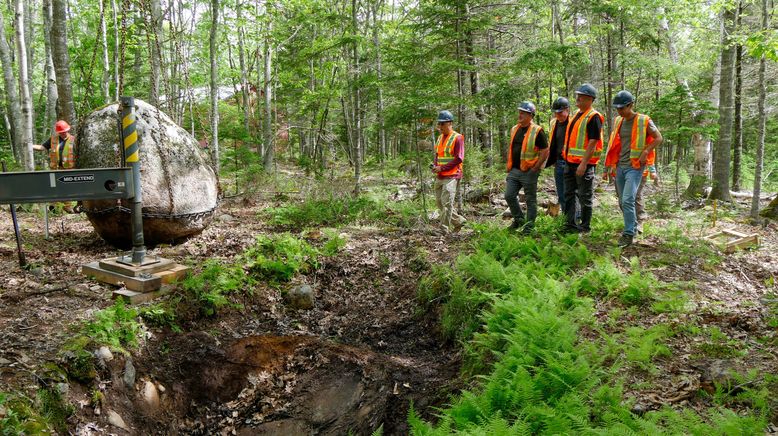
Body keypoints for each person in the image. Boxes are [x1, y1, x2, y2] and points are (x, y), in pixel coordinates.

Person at [604, 90, 663, 247]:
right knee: (623, 202)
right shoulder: (618, 121)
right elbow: (614, 144)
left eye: (622, 108)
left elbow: (658, 138)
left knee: (628, 199)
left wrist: (646, 151)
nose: (619, 111)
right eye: (617, 108)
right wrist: (609, 164)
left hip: (635, 167)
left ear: (631, 105)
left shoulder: (644, 121)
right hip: (620, 166)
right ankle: (633, 226)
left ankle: (629, 233)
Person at [561, 83, 604, 234]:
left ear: (589, 99)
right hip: (570, 163)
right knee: (569, 195)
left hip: (583, 165)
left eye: (581, 96)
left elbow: (593, 142)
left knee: (585, 197)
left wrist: (584, 164)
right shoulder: (577, 116)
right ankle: (570, 225)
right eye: (578, 95)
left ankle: (585, 227)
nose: (577, 98)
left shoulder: (593, 117)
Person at [504, 101, 549, 234]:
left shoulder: (537, 130)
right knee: (509, 195)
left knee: (530, 199)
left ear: (531, 115)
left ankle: (529, 227)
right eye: (520, 112)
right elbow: (512, 148)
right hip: (514, 170)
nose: (520, 115)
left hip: (530, 171)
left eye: (523, 113)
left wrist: (536, 167)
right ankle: (519, 220)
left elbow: (545, 150)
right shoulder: (514, 129)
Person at [431, 110, 466, 233]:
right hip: (440, 175)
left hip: (452, 176)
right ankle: (459, 221)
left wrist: (442, 168)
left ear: (450, 123)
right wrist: (435, 166)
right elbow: (437, 155)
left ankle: (443, 229)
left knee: (446, 203)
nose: (439, 127)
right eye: (439, 124)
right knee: (439, 203)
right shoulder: (440, 138)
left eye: (442, 124)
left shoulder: (458, 138)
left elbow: (459, 158)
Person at [545, 96, 579, 221]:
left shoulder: (574, 122)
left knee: (573, 192)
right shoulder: (554, 123)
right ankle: (566, 218)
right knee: (562, 193)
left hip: (571, 162)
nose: (558, 115)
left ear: (568, 109)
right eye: (556, 112)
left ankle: (576, 217)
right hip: (558, 162)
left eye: (560, 112)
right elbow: (552, 141)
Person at [32, 120, 77, 213]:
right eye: (61, 132)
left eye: (65, 131)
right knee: (54, 186)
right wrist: (30, 146)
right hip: (55, 169)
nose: (64, 133)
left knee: (67, 188)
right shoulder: (53, 139)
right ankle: (54, 207)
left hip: (69, 169)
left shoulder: (73, 139)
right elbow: (42, 147)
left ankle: (67, 207)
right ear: (58, 132)